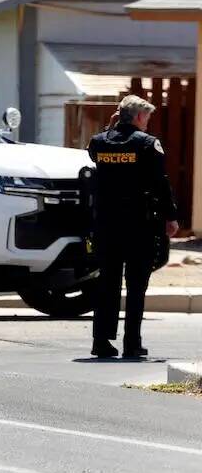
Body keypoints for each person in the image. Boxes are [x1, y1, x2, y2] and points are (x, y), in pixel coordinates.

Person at [86, 94, 179, 359]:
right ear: (138, 117)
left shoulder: (99, 141)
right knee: (136, 286)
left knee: (107, 284)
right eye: (147, 117)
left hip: (106, 225)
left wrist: (110, 127)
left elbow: (94, 153)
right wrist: (170, 217)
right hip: (140, 225)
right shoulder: (148, 144)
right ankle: (132, 343)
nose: (148, 122)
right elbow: (161, 183)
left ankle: (101, 341)